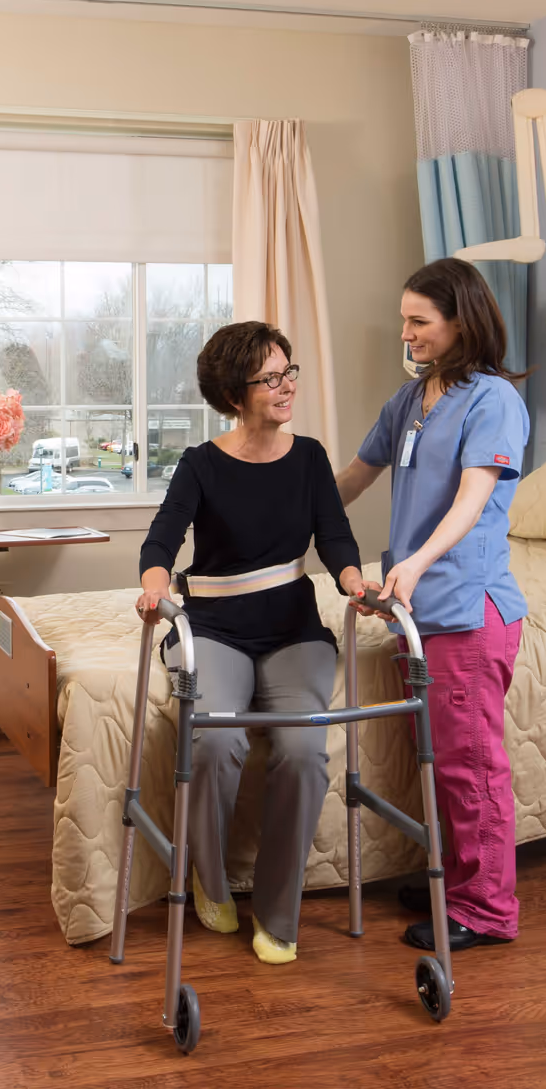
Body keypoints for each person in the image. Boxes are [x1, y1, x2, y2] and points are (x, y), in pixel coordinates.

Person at [138, 322, 367, 965]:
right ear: (235, 395)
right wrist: (155, 586)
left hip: (294, 631)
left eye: (288, 371)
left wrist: (353, 580)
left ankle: (278, 914)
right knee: (213, 738)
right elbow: (161, 544)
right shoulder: (202, 465)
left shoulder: (312, 457)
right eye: (271, 378)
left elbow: (336, 537)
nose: (286, 385)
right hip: (217, 630)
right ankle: (209, 880)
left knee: (302, 749)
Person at [335, 257, 530, 953]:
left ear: (460, 321)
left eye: (420, 322)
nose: (407, 334)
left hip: (465, 608)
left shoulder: (493, 401)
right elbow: (353, 479)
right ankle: (454, 876)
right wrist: (282, 516)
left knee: (470, 763)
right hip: (414, 611)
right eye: (404, 321)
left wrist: (414, 563)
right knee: (437, 758)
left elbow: (473, 497)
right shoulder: (409, 400)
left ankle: (485, 909)